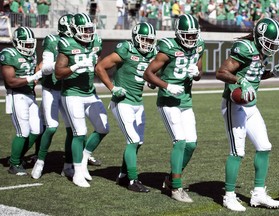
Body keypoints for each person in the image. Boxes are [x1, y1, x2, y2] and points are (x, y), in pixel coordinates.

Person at [216, 17, 279, 212]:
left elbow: (255, 73)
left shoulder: (260, 52)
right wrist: (241, 81)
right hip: (233, 103)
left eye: (274, 45)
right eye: (269, 43)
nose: (271, 48)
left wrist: (272, 74)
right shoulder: (244, 47)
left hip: (251, 105)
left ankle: (258, 193)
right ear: (258, 37)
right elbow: (221, 72)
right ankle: (229, 196)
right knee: (237, 151)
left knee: (264, 146)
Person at [143, 14, 204, 202]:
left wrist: (197, 73)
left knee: (191, 144)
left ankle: (170, 179)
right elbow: (148, 74)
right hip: (168, 100)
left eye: (194, 35)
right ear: (178, 33)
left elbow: (199, 73)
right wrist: (167, 86)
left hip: (185, 100)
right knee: (180, 141)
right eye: (188, 35)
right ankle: (176, 188)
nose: (192, 39)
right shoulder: (168, 47)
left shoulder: (199, 46)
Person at [95, 22, 157, 193]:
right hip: (122, 102)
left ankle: (123, 175)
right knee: (133, 140)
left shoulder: (151, 52)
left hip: (138, 102)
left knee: (138, 142)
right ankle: (132, 180)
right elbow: (100, 67)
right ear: (136, 38)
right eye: (144, 39)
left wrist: (150, 82)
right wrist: (112, 88)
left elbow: (146, 73)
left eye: (150, 40)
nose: (147, 43)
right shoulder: (126, 49)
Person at [55, 12, 109, 188]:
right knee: (79, 132)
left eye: (89, 29)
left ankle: (84, 157)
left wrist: (112, 86)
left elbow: (98, 66)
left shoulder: (96, 42)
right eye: (84, 30)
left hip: (90, 93)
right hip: (72, 94)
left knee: (103, 127)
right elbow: (58, 73)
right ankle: (77, 172)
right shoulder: (67, 43)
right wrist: (76, 66)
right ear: (74, 30)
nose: (87, 33)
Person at [31, 13, 74, 180]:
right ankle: (40, 161)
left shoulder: (80, 42)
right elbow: (47, 67)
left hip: (69, 90)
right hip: (51, 89)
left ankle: (69, 165)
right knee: (51, 127)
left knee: (74, 129)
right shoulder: (53, 40)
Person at [0, 26, 43, 175]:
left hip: (30, 95)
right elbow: (10, 81)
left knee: (37, 130)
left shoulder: (31, 55)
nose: (30, 47)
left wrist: (40, 72)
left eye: (32, 44)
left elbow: (35, 71)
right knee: (23, 131)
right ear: (17, 43)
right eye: (27, 44)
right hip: (16, 95)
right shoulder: (9, 54)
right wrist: (31, 78)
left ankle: (17, 157)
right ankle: (14, 164)